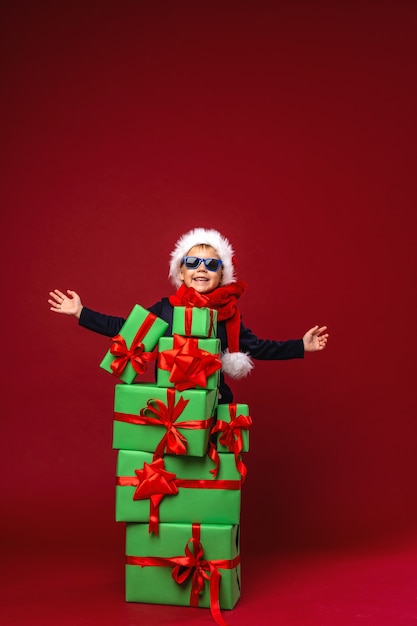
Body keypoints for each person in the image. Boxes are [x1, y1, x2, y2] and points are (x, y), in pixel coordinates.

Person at [48, 227, 328, 403]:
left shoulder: (228, 316)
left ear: (222, 276)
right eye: (192, 262)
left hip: (212, 402)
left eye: (211, 264)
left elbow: (258, 347)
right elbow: (126, 329)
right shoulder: (166, 309)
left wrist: (300, 345)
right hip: (169, 404)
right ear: (181, 273)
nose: (201, 269)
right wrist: (81, 312)